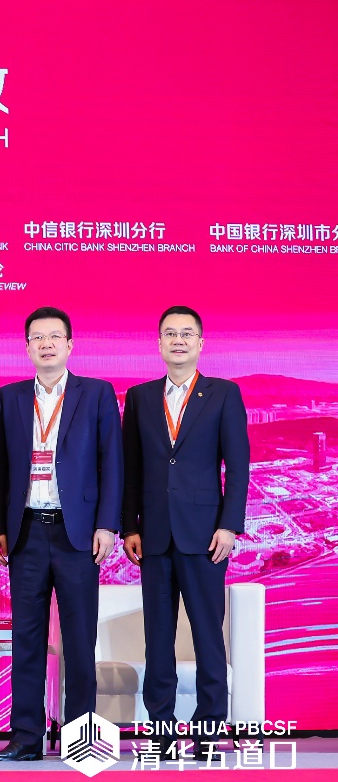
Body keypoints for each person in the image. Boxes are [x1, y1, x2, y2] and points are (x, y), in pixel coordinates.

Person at [0, 307, 123, 761]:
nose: (46, 344)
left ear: (69, 345)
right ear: (26, 347)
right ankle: (26, 737)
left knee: (79, 641)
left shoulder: (97, 393)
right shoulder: (8, 398)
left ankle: (81, 739)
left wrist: (106, 524)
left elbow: (111, 463)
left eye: (54, 337)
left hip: (76, 534)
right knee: (26, 640)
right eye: (37, 338)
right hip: (25, 532)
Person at [122, 305, 249, 757]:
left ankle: (210, 730)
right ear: (158, 343)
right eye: (170, 333)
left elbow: (238, 466)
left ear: (200, 343)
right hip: (154, 536)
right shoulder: (140, 397)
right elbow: (131, 469)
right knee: (157, 639)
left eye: (187, 333)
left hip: (205, 536)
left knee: (208, 636)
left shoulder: (223, 394)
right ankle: (161, 729)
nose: (178, 340)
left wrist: (229, 525)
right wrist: (129, 526)